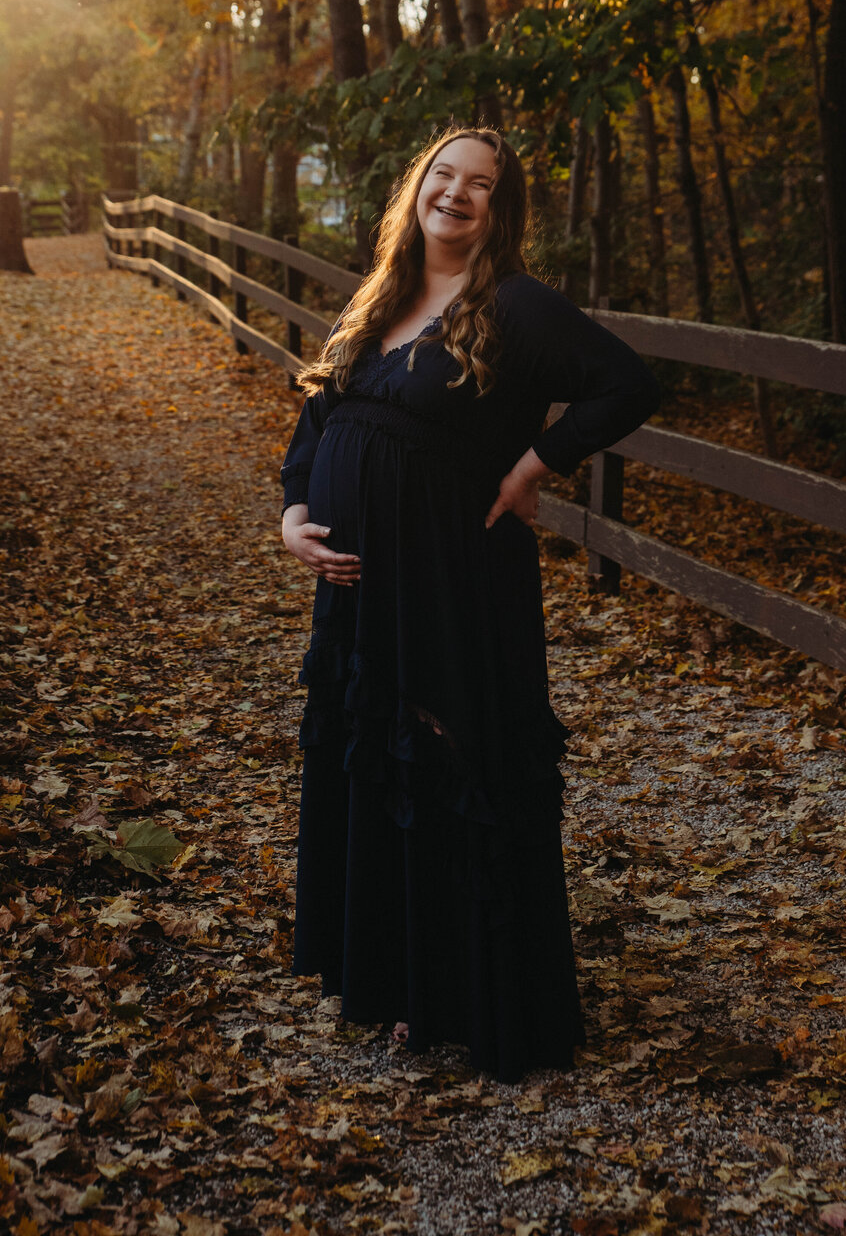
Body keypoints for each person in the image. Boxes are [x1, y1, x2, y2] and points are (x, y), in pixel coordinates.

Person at [279, 126, 659, 1082]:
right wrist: (294, 511)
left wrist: (536, 464)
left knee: (449, 760)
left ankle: (463, 994)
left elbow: (629, 385)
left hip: (450, 579)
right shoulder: (386, 296)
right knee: (379, 763)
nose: (457, 194)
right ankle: (390, 974)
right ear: (418, 188)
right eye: (444, 175)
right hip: (363, 591)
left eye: (480, 184)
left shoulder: (518, 306)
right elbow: (322, 412)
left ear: (502, 208)